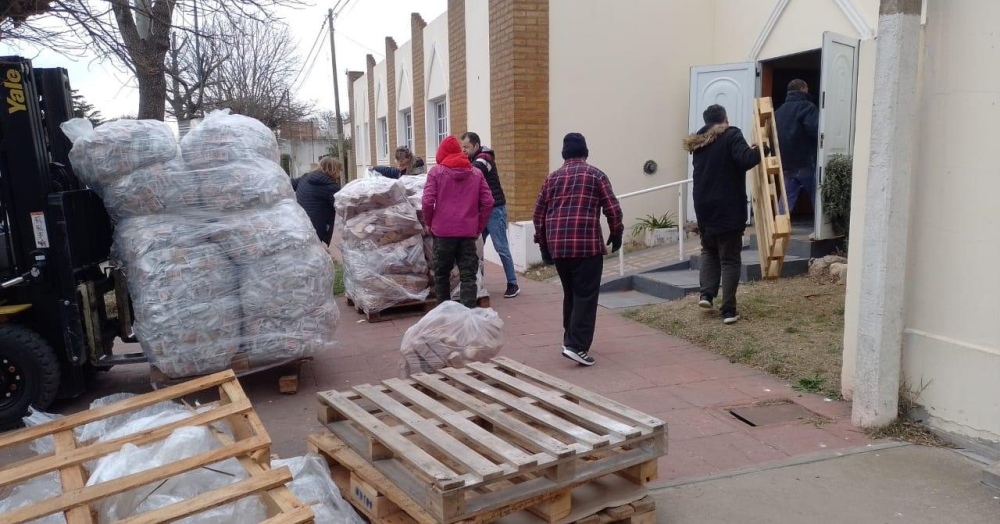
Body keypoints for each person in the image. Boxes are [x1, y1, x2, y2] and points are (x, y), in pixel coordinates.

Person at [533, 133, 623, 367]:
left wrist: (543, 244)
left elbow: (538, 214)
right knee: (586, 295)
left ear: (564, 154)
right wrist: (617, 232)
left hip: (559, 247)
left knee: (571, 293)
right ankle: (576, 346)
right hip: (586, 245)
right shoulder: (596, 175)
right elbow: (612, 208)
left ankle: (569, 338)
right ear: (585, 152)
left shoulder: (550, 179)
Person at [683, 104, 761, 324]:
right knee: (729, 258)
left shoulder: (698, 143)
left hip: (703, 205)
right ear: (724, 120)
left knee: (709, 250)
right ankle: (728, 310)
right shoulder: (731, 134)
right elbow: (745, 160)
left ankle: (706, 295)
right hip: (728, 206)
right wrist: (760, 149)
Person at [422, 136, 494, 308]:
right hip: (468, 234)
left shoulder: (436, 172)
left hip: (443, 233)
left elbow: (427, 201)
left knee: (441, 275)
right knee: (468, 276)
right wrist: (479, 226)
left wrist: (429, 222)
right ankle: (467, 314)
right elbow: (488, 201)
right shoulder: (475, 173)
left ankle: (444, 314)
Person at [460, 132, 520, 298]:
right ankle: (477, 281)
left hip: (495, 210)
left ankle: (513, 283)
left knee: (501, 247)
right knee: (476, 248)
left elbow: (473, 172)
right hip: (482, 211)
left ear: (476, 146)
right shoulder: (472, 159)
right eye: (462, 147)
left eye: (466, 147)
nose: (463, 150)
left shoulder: (485, 158)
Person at [775, 79, 819, 213]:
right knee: (817, 197)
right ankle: (822, 228)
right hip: (805, 161)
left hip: (786, 162)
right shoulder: (808, 107)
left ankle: (779, 228)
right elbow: (815, 131)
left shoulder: (779, 111)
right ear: (803, 89)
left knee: (786, 199)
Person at [295, 156, 342, 245]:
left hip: (299, 221)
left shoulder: (305, 177)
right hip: (317, 226)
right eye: (339, 171)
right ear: (333, 170)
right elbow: (341, 207)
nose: (339, 175)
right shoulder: (331, 187)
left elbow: (289, 184)